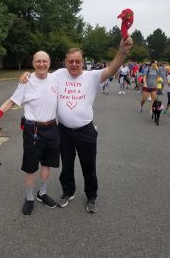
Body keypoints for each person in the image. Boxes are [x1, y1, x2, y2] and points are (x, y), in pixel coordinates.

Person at [20, 37, 133, 213]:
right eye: (70, 61)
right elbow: (40, 74)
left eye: (78, 61)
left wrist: (122, 51)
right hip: (63, 130)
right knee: (67, 165)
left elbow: (113, 68)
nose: (74, 64)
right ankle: (68, 192)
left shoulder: (92, 76)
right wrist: (26, 74)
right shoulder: (58, 75)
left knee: (89, 165)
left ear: (83, 62)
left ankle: (91, 196)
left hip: (85, 130)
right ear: (65, 62)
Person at [0, 51, 60, 216]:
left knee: (47, 164)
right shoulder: (27, 81)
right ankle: (29, 198)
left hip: (53, 128)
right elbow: (12, 101)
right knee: (30, 166)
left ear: (49, 63)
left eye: (44, 61)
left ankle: (43, 193)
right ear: (33, 63)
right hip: (33, 130)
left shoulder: (56, 78)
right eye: (38, 61)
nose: (41, 64)